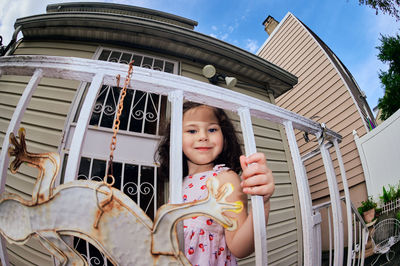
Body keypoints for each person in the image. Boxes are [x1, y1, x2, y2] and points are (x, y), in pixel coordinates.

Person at [156, 102, 275, 265]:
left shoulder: (224, 179)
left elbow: (240, 248)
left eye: (212, 129)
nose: (203, 136)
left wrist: (262, 203)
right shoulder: (180, 184)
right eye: (192, 130)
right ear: (176, 139)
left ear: (224, 137)